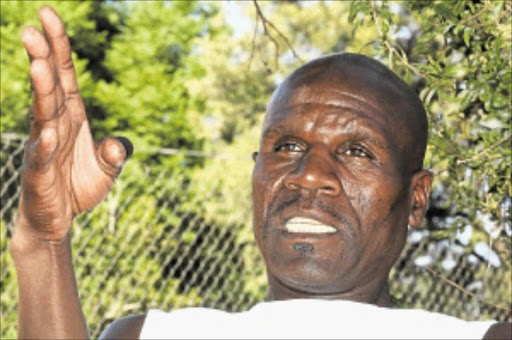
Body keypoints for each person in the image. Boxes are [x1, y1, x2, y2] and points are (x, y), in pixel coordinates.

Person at [9, 6, 510, 340]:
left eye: (356, 151)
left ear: (416, 199)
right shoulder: (154, 335)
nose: (308, 175)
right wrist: (44, 241)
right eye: (287, 145)